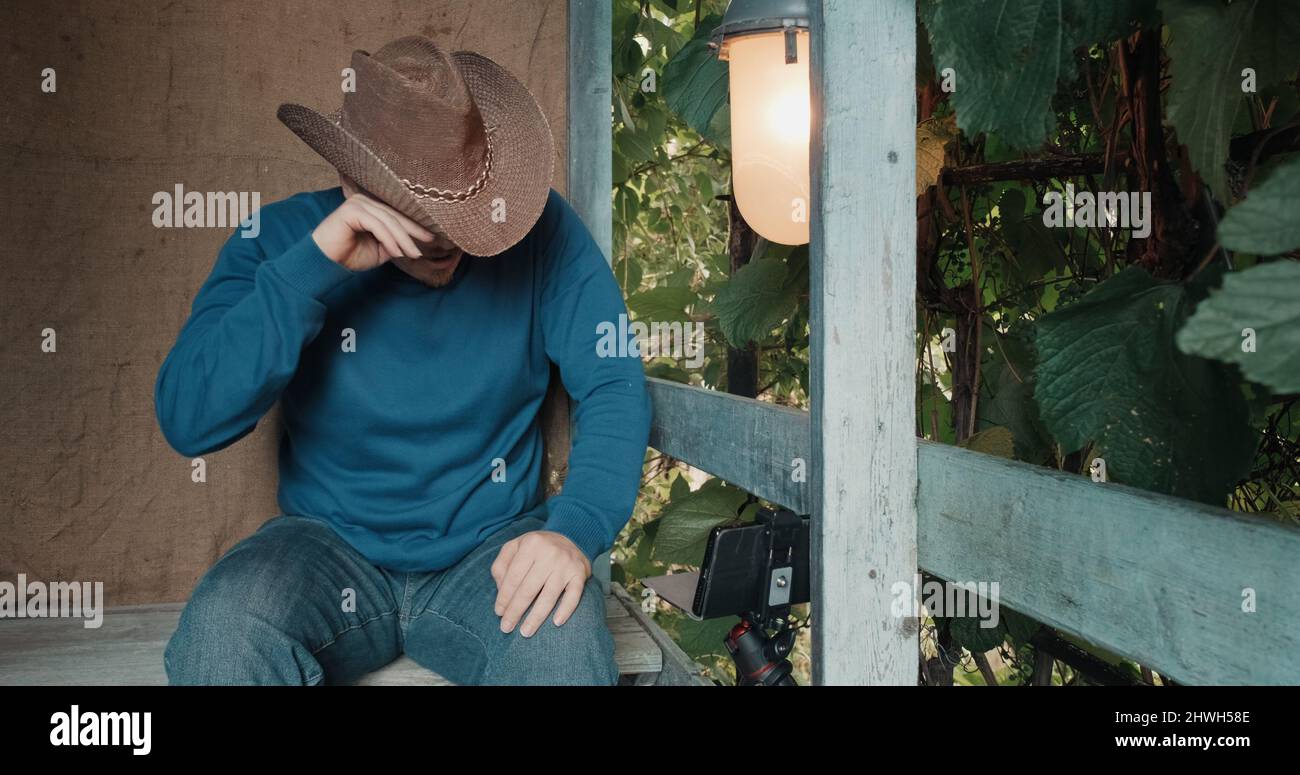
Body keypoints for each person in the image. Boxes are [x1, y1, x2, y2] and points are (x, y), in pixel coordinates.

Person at [155, 35, 651, 685]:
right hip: (325, 550)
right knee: (223, 630)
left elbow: (613, 380)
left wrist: (575, 529)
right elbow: (189, 417)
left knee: (562, 642)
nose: (449, 236)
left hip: (489, 556)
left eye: (462, 209)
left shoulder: (538, 228)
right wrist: (313, 267)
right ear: (350, 178)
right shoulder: (275, 240)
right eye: (420, 214)